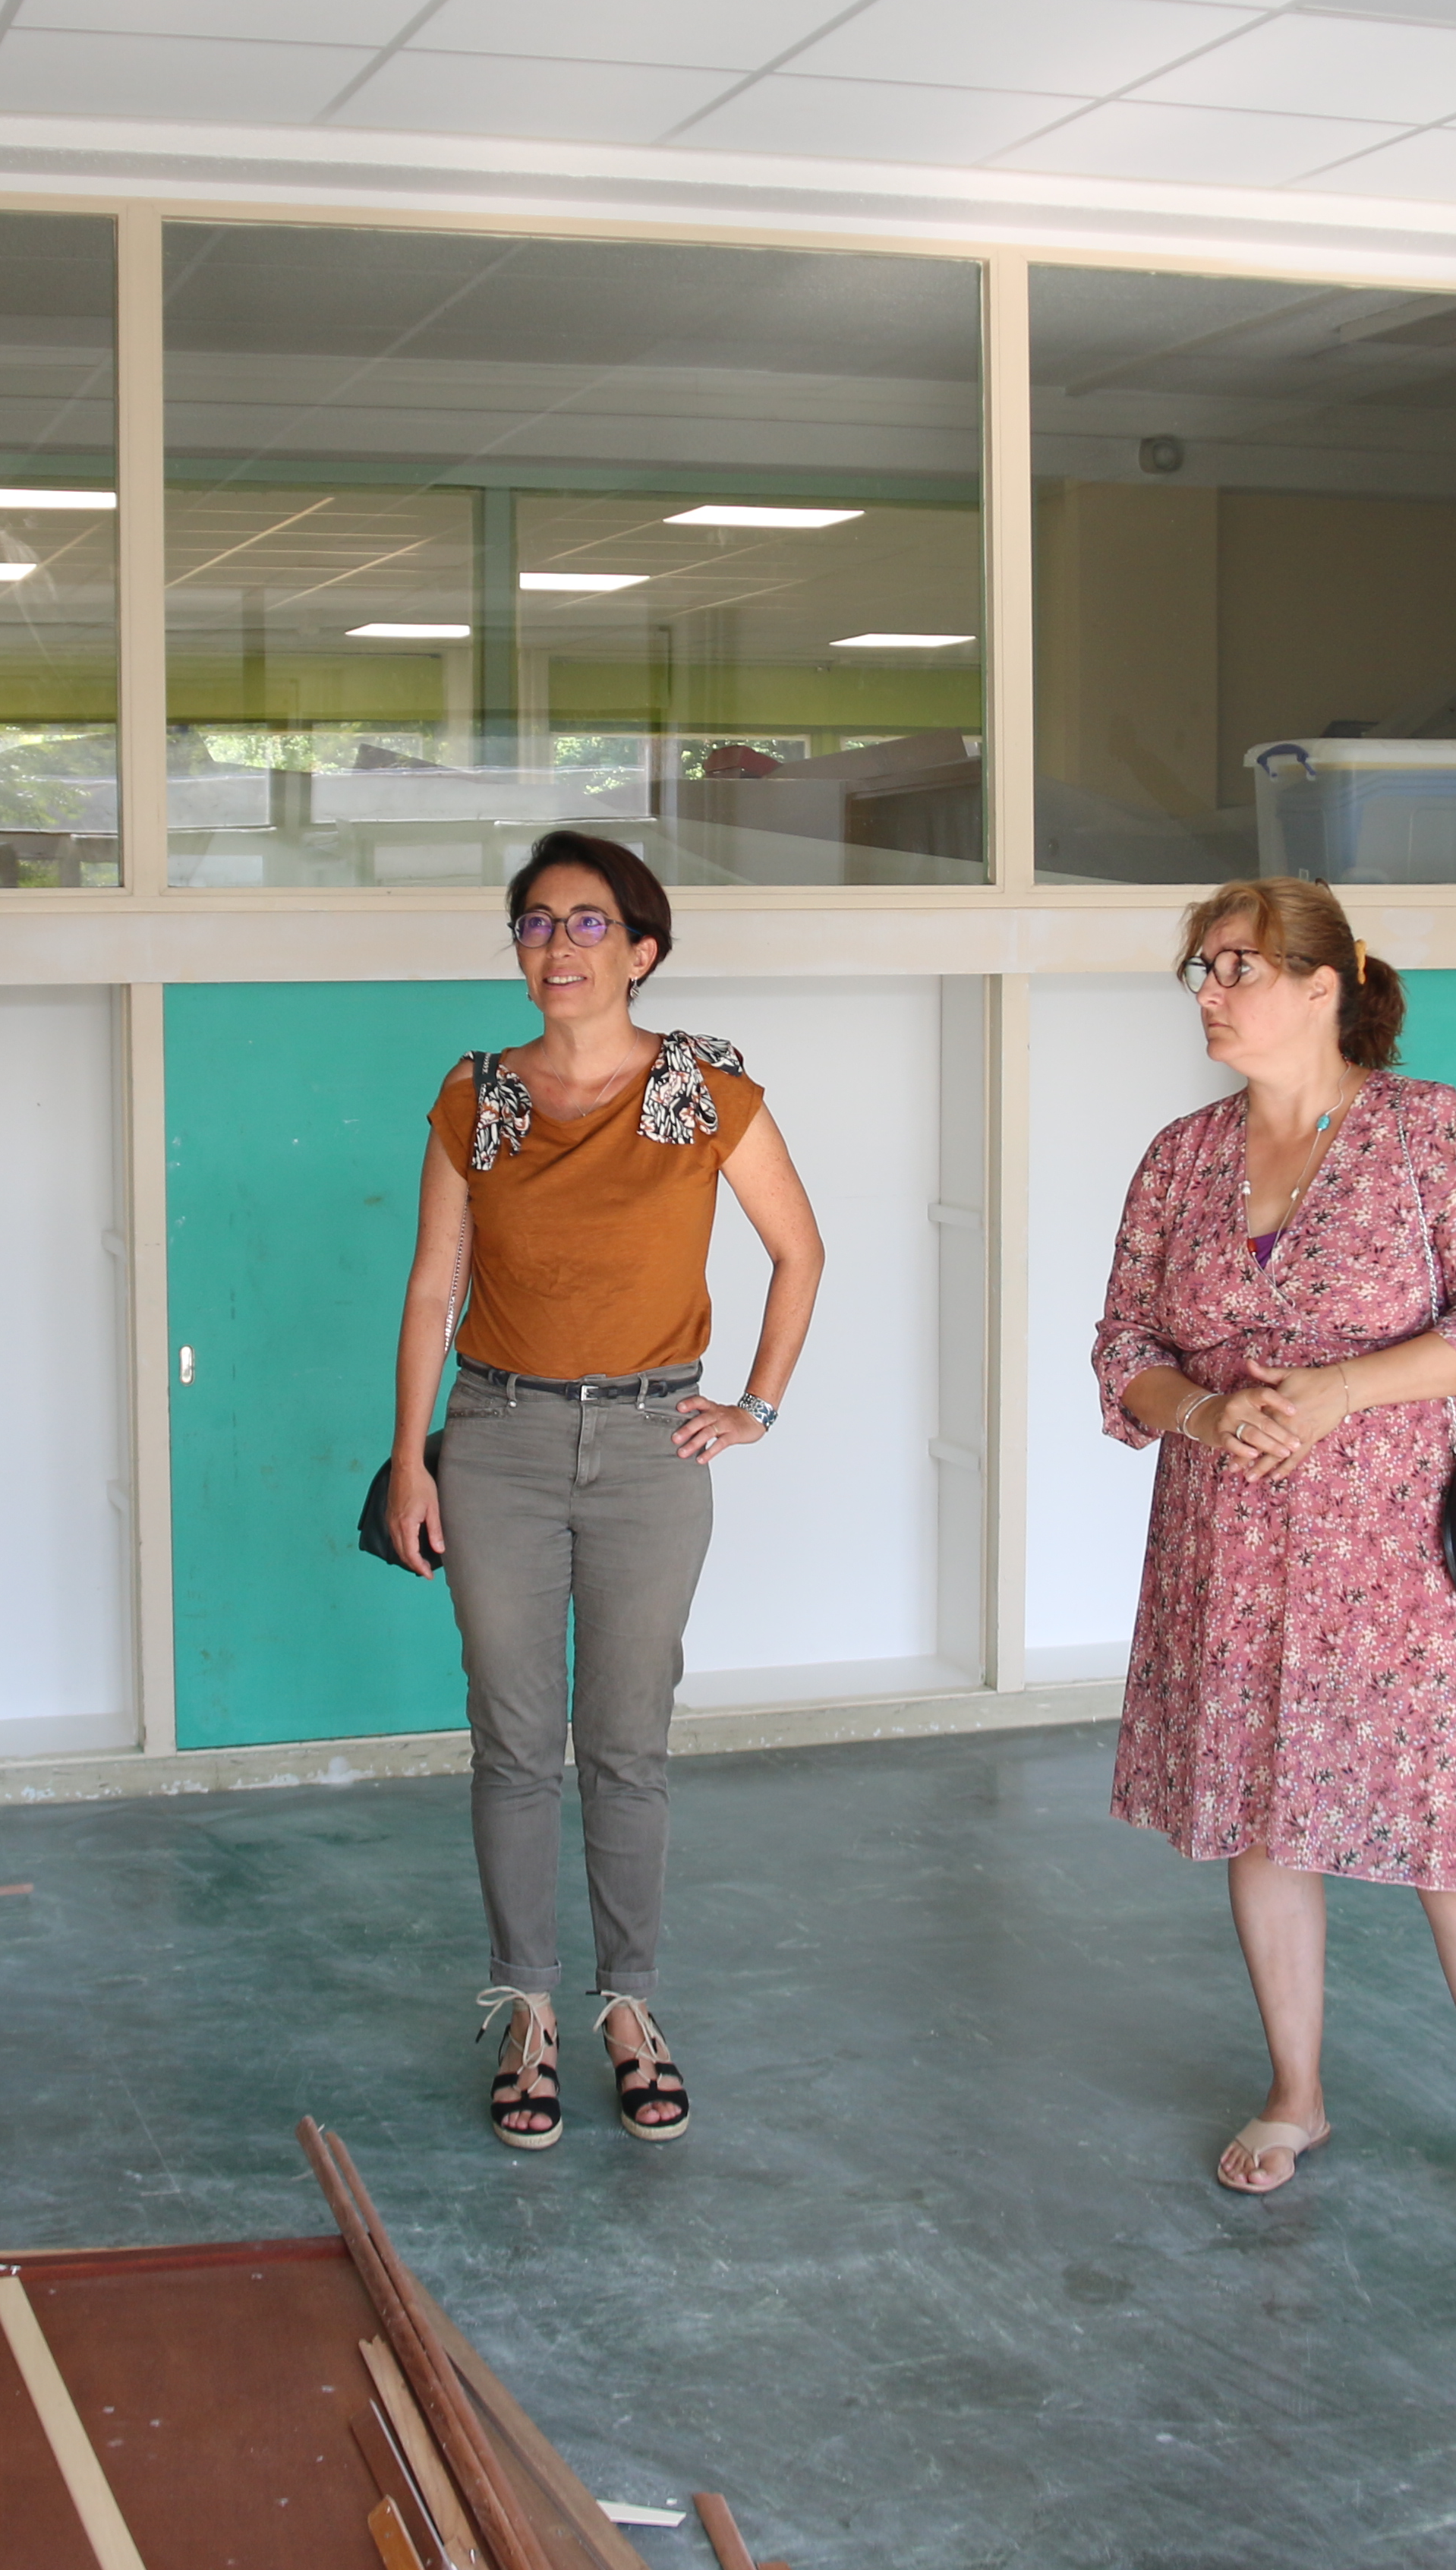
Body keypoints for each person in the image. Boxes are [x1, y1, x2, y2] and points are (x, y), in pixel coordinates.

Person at [1090, 877, 1456, 2270]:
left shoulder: (1429, 1131)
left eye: (1234, 966)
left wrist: (1335, 1391)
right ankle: (1295, 2091)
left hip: (1392, 1548)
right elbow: (1121, 1343)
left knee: (1455, 1837)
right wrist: (1201, 1409)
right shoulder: (1179, 1157)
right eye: (1197, 967)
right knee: (1263, 1817)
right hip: (1226, 1543)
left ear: (1322, 985)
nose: (1207, 990)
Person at [380, 831, 824, 2151]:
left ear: (640, 950)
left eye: (586, 923)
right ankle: (525, 2007)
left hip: (647, 1447)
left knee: (626, 1741)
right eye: (533, 922)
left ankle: (629, 2006)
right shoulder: (475, 1095)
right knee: (514, 1743)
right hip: (496, 1438)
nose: (556, 944)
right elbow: (430, 1288)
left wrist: (754, 1404)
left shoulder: (708, 1095)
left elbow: (798, 1251)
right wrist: (411, 1457)